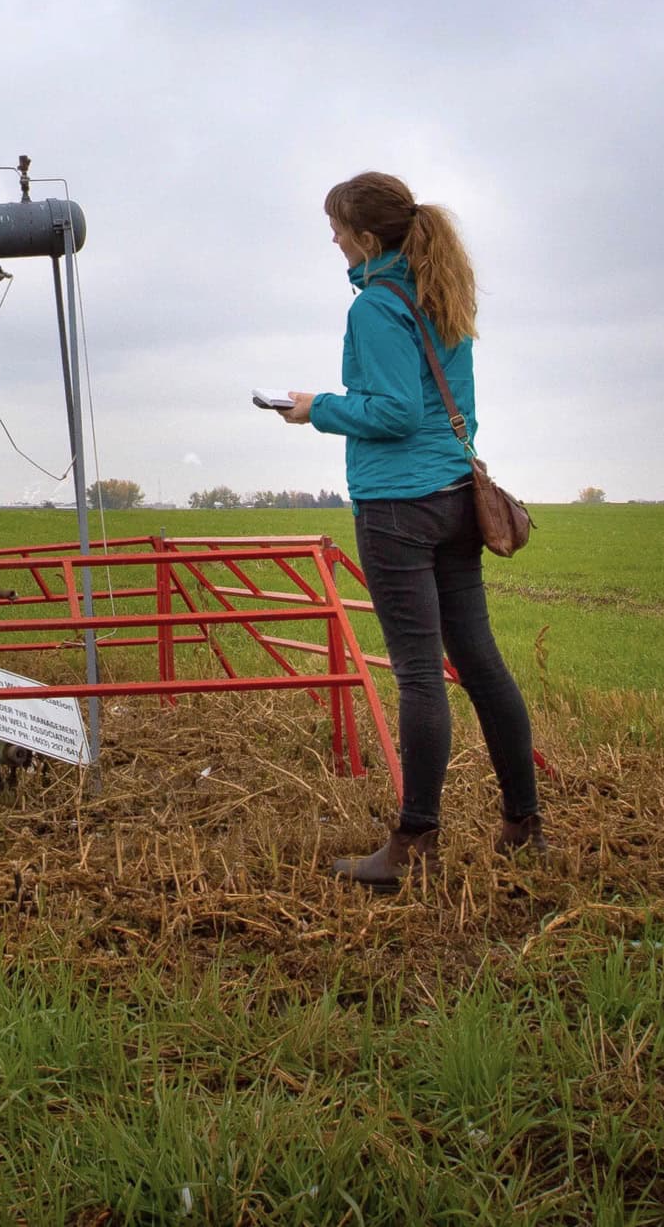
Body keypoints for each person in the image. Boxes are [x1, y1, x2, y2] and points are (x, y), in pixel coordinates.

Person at [277, 174, 543, 885]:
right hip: (458, 494)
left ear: (367, 238)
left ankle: (414, 843)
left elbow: (393, 412)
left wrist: (318, 407)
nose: (331, 238)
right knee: (480, 662)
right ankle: (525, 823)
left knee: (421, 672)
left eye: (337, 228)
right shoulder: (440, 290)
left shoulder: (373, 306)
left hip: (399, 506)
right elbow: (454, 408)